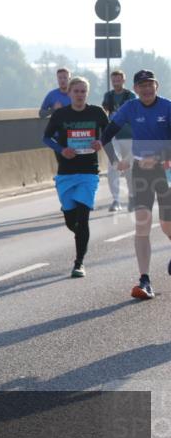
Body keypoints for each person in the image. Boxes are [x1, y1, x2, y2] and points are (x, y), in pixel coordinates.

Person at [101, 69, 171, 300]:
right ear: (136, 89)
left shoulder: (167, 107)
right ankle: (145, 280)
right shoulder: (130, 107)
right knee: (142, 224)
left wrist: (161, 157)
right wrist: (115, 161)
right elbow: (106, 135)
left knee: (166, 225)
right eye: (142, 85)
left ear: (156, 86)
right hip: (141, 170)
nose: (147, 89)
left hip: (166, 171)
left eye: (150, 84)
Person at [42, 77, 115, 278]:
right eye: (76, 91)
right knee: (70, 222)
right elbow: (46, 137)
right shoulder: (60, 114)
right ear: (70, 93)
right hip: (66, 173)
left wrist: (101, 141)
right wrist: (62, 149)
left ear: (87, 93)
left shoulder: (97, 112)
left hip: (88, 172)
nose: (80, 95)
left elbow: (109, 133)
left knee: (83, 220)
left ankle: (79, 263)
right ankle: (79, 234)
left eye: (83, 91)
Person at [101, 69, 137, 211]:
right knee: (113, 166)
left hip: (129, 135)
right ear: (111, 81)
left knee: (129, 169)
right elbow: (105, 111)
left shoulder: (130, 95)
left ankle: (132, 197)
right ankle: (116, 200)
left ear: (123, 80)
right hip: (114, 136)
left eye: (119, 79)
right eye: (114, 80)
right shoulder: (108, 96)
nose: (116, 82)